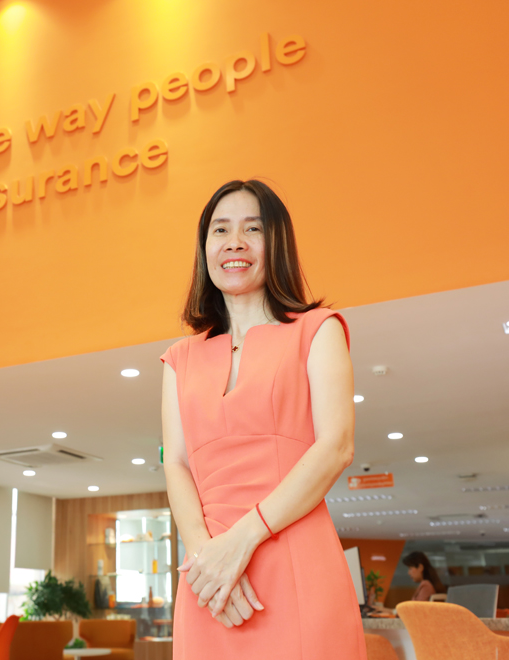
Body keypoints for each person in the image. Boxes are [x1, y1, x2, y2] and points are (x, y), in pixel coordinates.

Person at [160, 180, 366, 659]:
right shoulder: (178, 359)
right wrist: (206, 557)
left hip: (293, 558)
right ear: (205, 248)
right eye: (220, 230)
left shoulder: (317, 330)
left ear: (278, 243)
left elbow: (336, 446)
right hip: (208, 578)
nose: (235, 242)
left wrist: (243, 540)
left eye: (252, 229)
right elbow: (177, 463)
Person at [372, 551, 446, 614]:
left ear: (420, 567)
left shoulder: (426, 585)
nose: (408, 573)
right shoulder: (427, 584)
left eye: (410, 568)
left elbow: (414, 610)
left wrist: (388, 611)